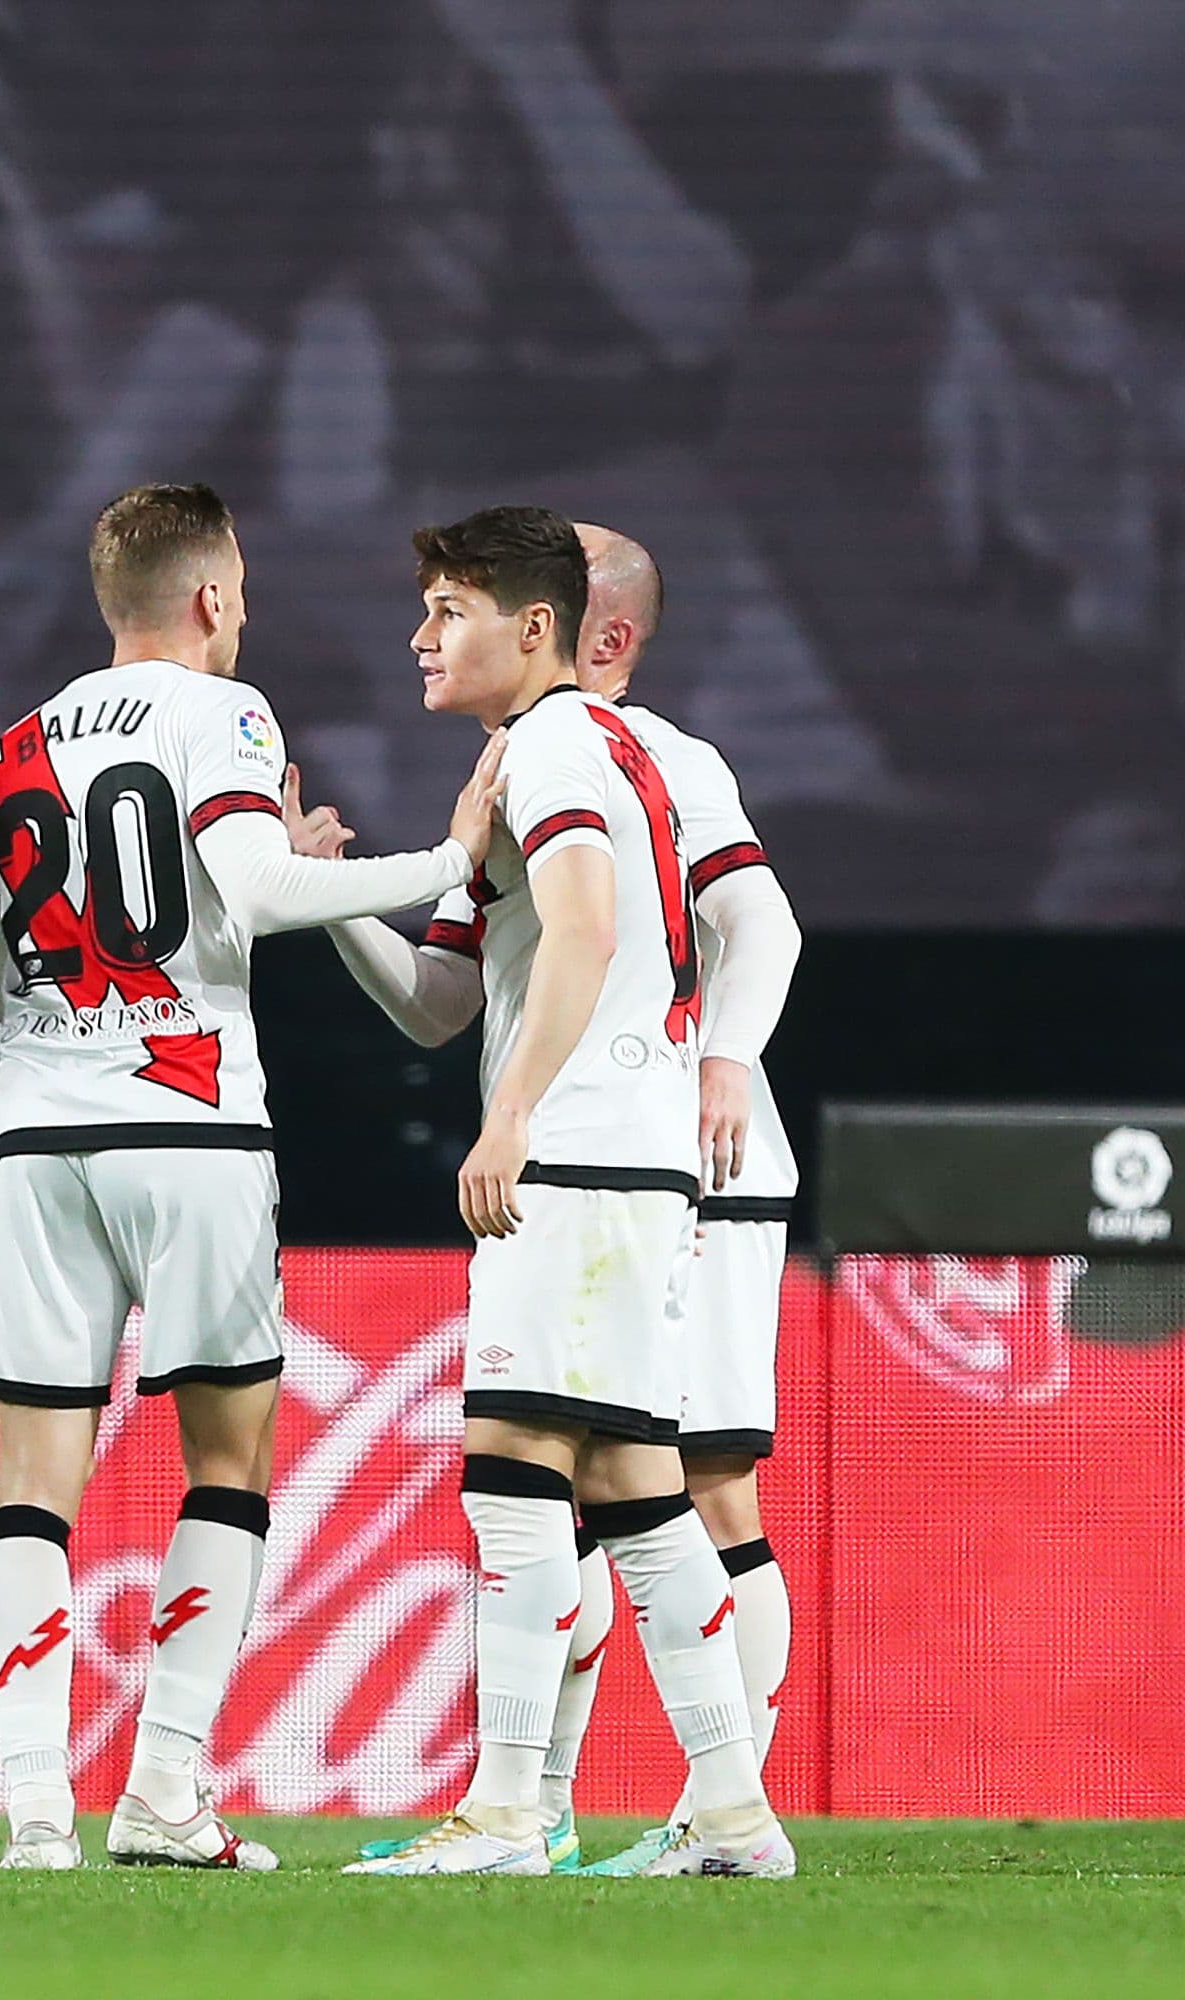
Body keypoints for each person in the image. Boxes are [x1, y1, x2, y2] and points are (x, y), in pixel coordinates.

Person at [0, 483, 504, 1872]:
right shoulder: (224, 718)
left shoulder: (9, 747)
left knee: (31, 1486)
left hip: (35, 1136)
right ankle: (162, 1797)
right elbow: (254, 891)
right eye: (242, 586)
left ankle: (33, 1819)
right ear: (207, 598)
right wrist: (443, 858)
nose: (245, 608)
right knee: (229, 1460)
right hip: (189, 1128)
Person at [317, 506, 790, 1878]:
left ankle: (506, 1812)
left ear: (536, 630)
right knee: (639, 1491)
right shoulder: (585, 752)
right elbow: (442, 1001)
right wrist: (347, 893)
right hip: (625, 1157)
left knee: (515, 1484)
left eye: (446, 608)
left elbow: (583, 928)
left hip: (580, 1154)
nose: (420, 634)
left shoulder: (555, 745)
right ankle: (738, 1815)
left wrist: (509, 1117)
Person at [547, 523, 803, 1874]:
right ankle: (536, 1809)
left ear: (609, 637)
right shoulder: (535, 757)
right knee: (577, 1482)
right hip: (603, 1153)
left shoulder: (670, 760)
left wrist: (724, 1063)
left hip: (699, 1153)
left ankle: (724, 1816)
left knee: (705, 1485)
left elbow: (766, 924)